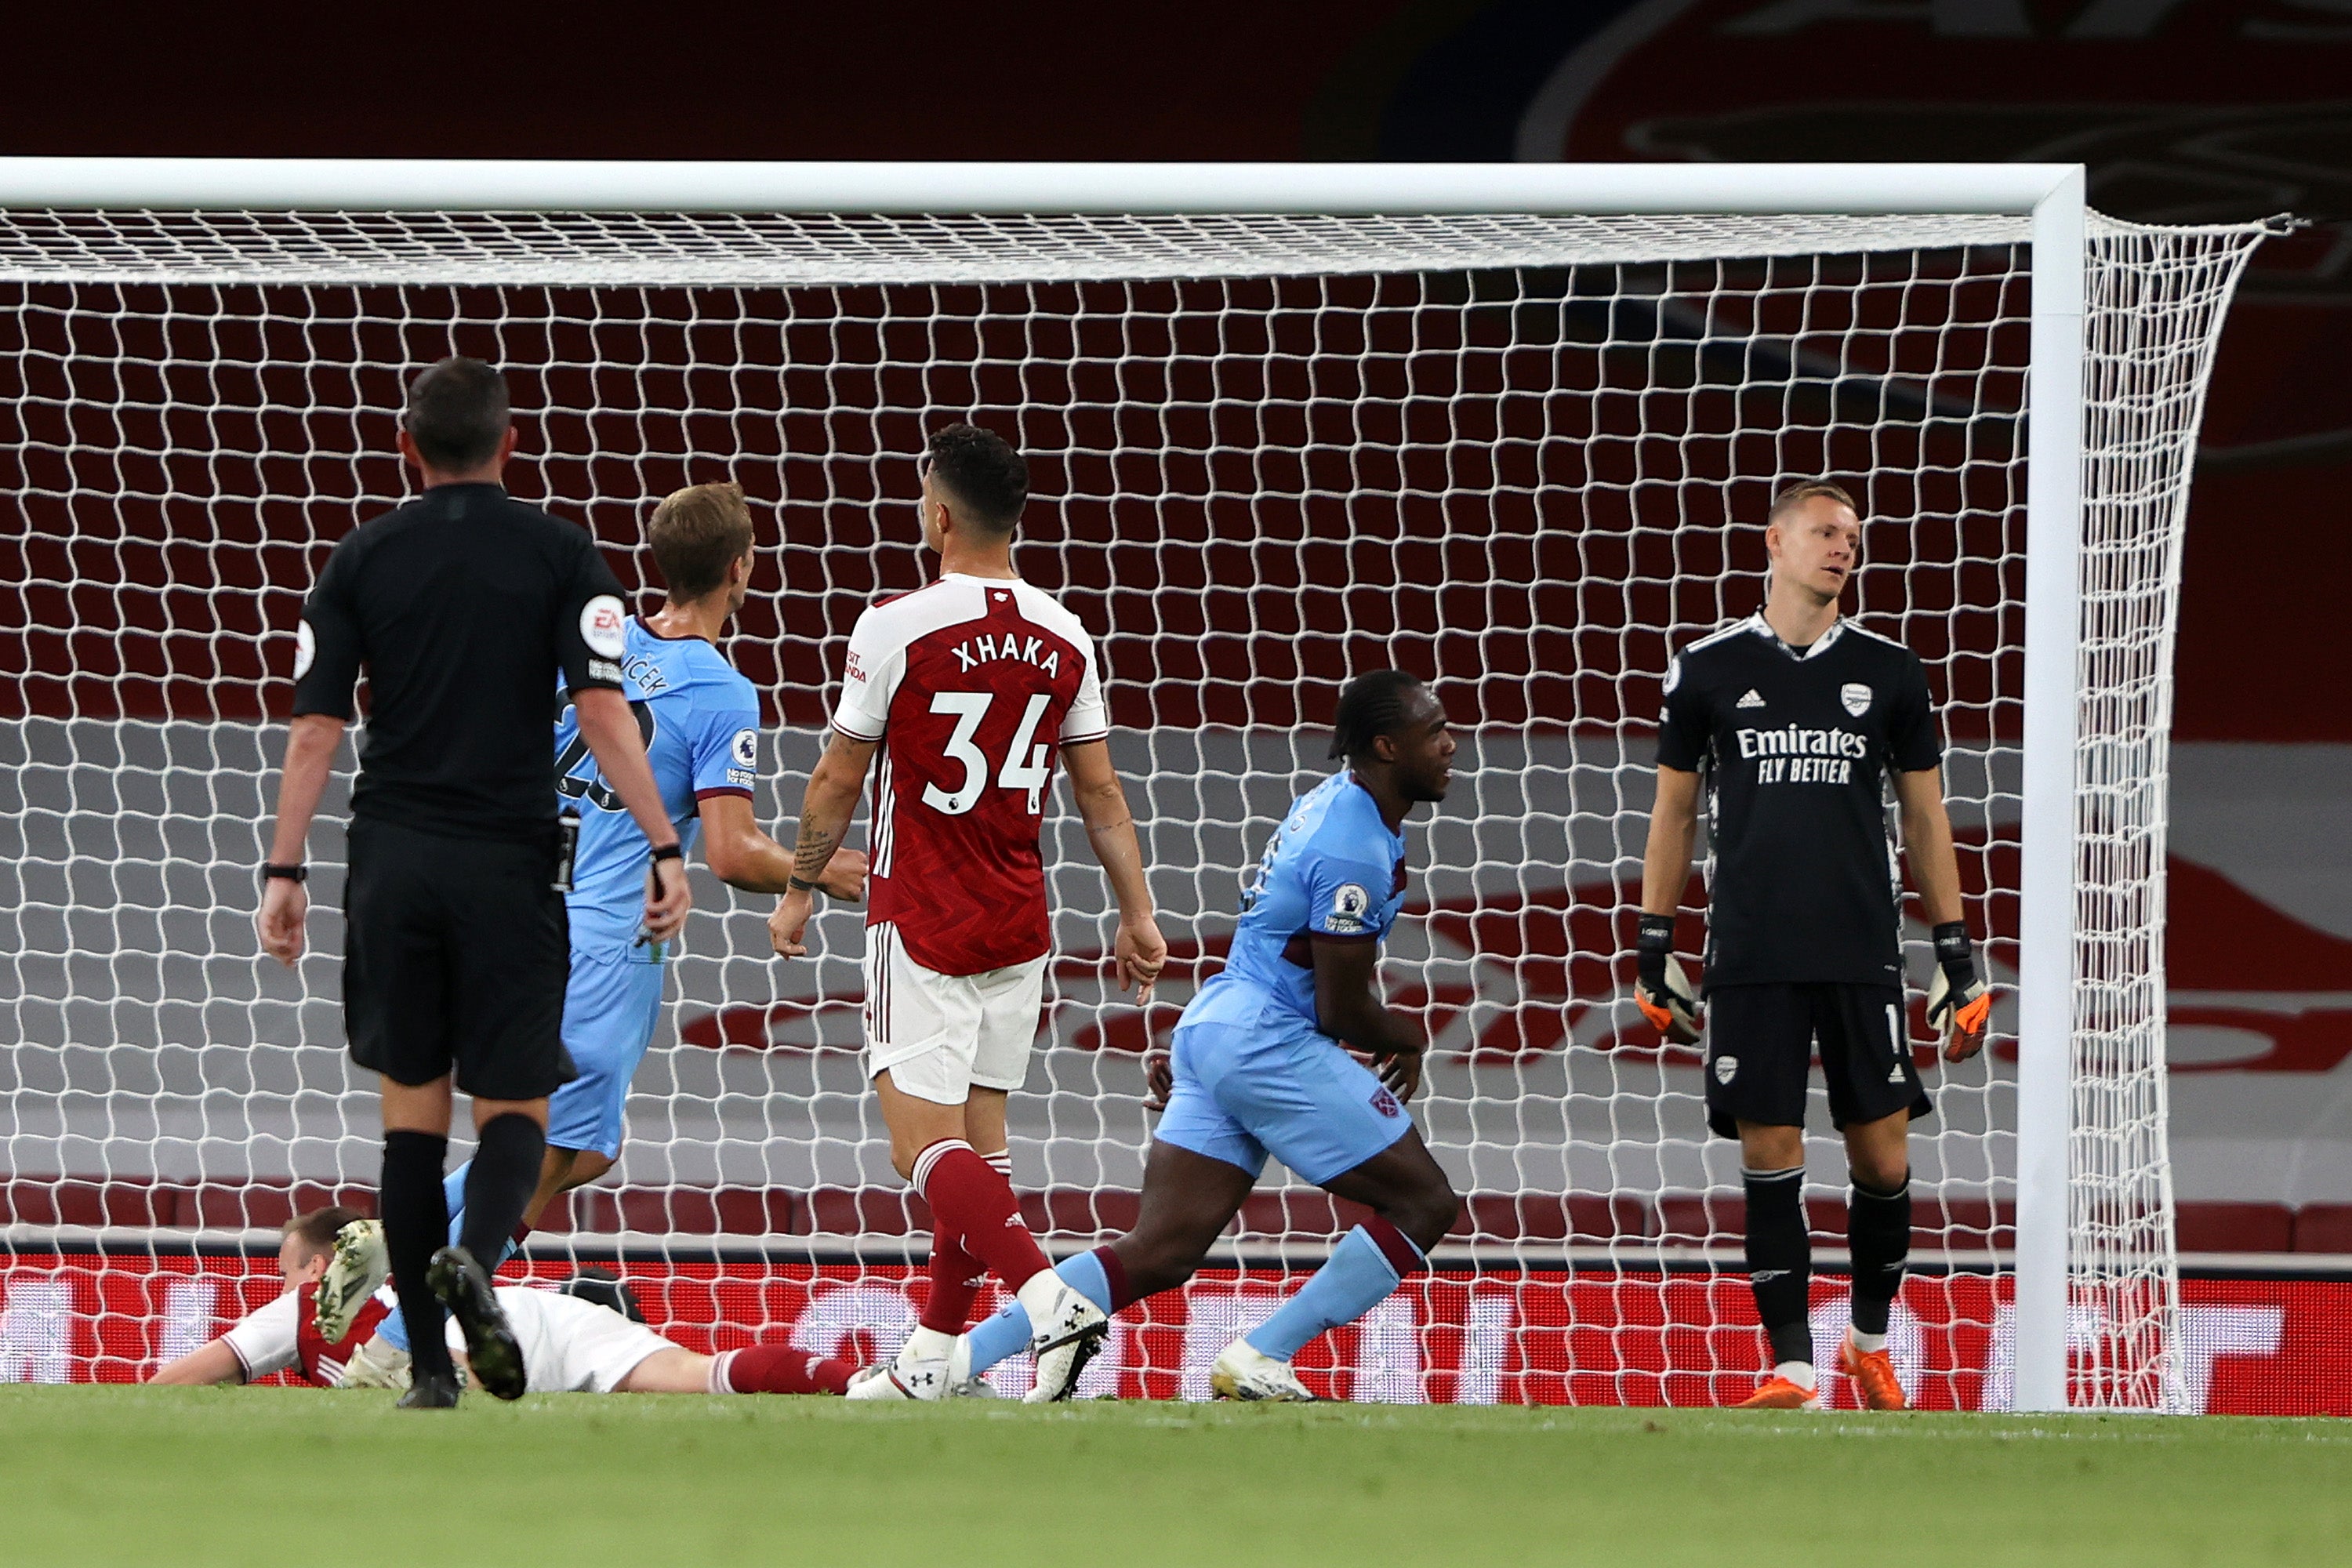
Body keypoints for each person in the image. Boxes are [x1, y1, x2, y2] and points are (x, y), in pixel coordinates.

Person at [314, 481, 867, 1352]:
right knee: (543, 1148)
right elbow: (729, 850)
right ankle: (403, 1325)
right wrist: (827, 871)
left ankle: (401, 1257)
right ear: (741, 570)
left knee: (582, 1148)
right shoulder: (719, 691)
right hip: (612, 940)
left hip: (523, 914)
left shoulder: (590, 646)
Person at [255, 357, 691, 1409]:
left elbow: (316, 728)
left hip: (394, 865)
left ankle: (434, 1381)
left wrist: (284, 866)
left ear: (408, 448)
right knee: (516, 1116)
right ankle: (477, 1266)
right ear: (510, 442)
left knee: (411, 1126)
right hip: (508, 865)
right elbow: (601, 718)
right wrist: (664, 844)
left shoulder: (360, 559)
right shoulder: (561, 554)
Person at [767, 423, 1167, 1404]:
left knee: (921, 1147)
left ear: (940, 514)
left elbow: (836, 774)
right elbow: (1102, 793)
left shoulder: (894, 624)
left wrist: (798, 885)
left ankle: (1050, 1301)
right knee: (981, 1143)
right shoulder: (1067, 632)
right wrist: (1138, 913)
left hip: (925, 918)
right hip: (1018, 920)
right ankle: (935, 1355)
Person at [946, 670, 1462, 1403]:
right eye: (1433, 729)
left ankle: (956, 1364)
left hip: (1221, 1027)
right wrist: (1406, 1037)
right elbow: (1341, 1005)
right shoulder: (1354, 845)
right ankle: (1261, 1354)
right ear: (1386, 745)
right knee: (1426, 1204)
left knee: (1159, 1250)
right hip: (1266, 1040)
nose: (1450, 743)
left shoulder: (1334, 806)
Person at [1634, 479, 1992, 1413]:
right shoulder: (1706, 667)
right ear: (1776, 541)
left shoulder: (1892, 669)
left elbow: (1924, 814)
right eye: (1827, 532)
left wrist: (1956, 956)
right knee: (1772, 1149)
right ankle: (1792, 1363)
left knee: (1881, 1158)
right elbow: (1674, 810)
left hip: (1860, 945)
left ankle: (1868, 1344)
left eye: (1855, 537)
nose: (1845, 547)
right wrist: (1653, 942)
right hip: (1750, 949)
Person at [152, 1209, 855, 1398]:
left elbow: (184, 1378)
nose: (284, 1288)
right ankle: (857, 1381)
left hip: (448, 1336)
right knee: (699, 1375)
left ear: (316, 1265)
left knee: (427, 1378)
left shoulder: (309, 1302)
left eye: (286, 1272)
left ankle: (461, 1365)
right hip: (543, 1312)